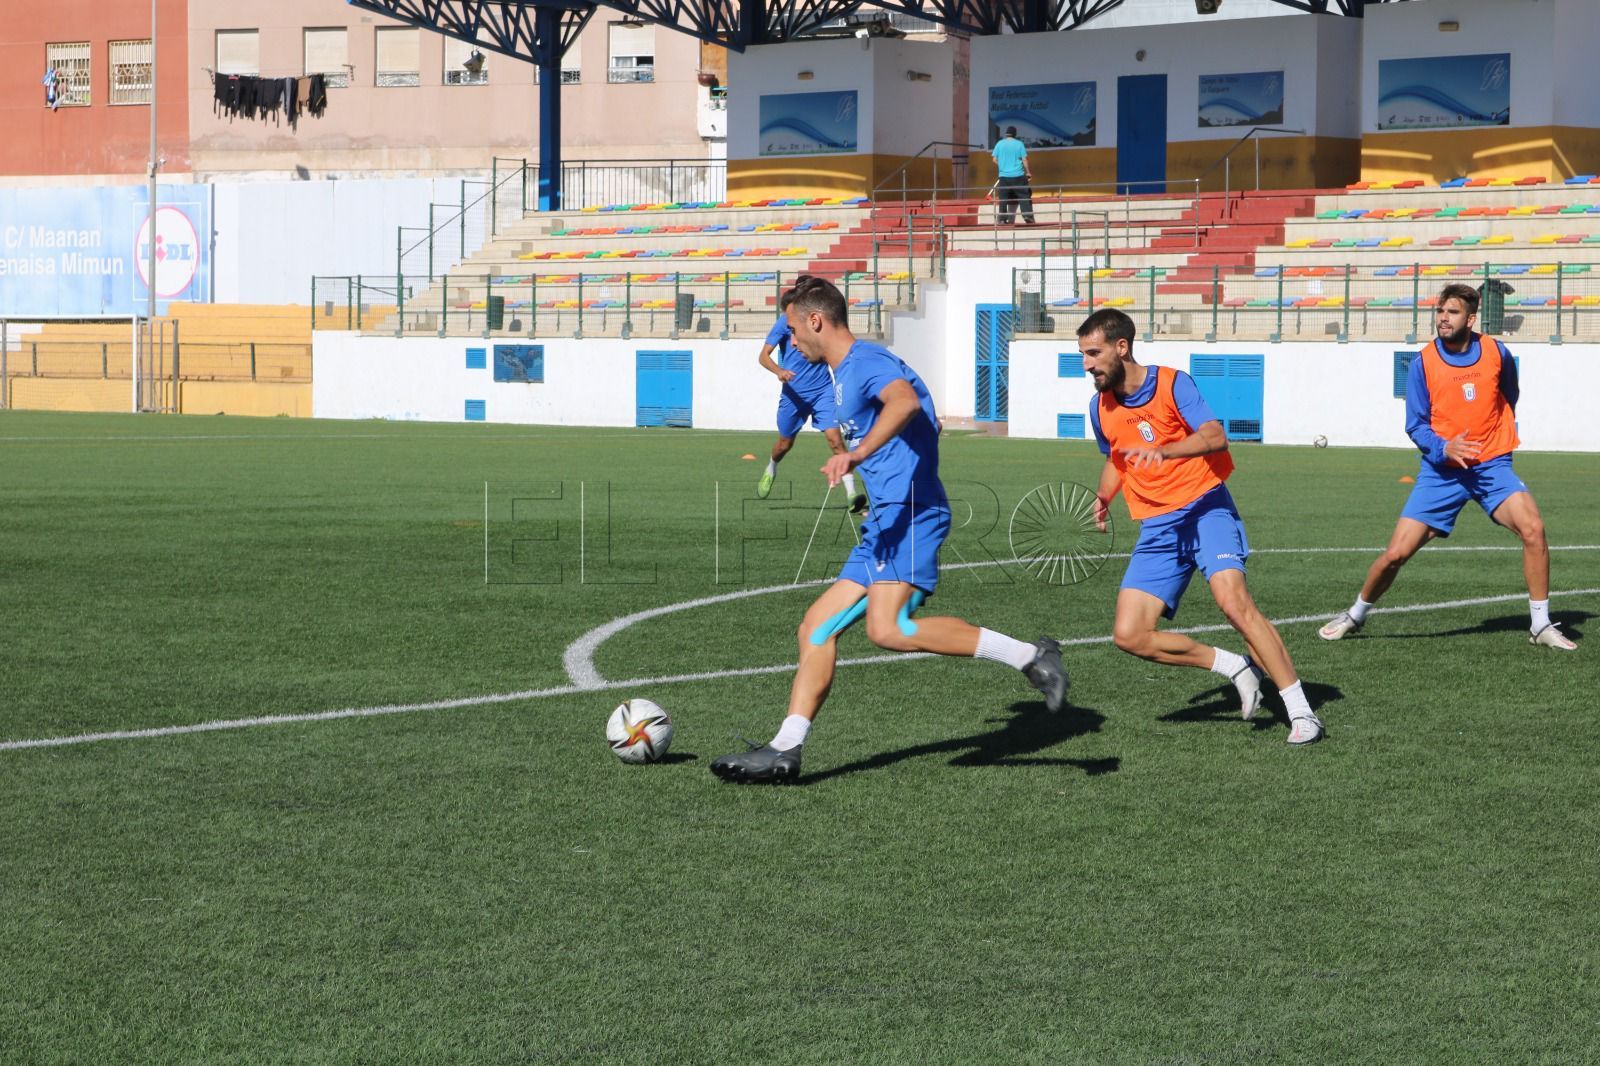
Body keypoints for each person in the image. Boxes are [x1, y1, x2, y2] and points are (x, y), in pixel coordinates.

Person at [711, 276, 1069, 784]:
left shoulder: (864, 363)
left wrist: (856, 454)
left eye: (792, 331)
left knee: (889, 629)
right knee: (816, 627)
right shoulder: (841, 372)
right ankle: (784, 749)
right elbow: (921, 413)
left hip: (911, 513)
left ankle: (1032, 657)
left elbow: (905, 402)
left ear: (816, 321)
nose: (789, 344)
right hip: (884, 520)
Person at [1079, 308, 1324, 745]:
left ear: (1122, 347)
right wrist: (1104, 496)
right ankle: (1234, 667)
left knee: (1233, 602)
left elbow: (1215, 435)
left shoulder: (1174, 383)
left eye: (1094, 353)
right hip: (1157, 528)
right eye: (1082, 355)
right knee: (1130, 635)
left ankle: (1301, 711)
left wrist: (1169, 452)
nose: (1087, 364)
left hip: (1205, 509)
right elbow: (1116, 458)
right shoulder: (1101, 407)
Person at [1319, 283, 1576, 651]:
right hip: (1441, 473)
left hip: (1491, 467)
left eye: (1452, 312)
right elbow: (1415, 424)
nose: (1443, 317)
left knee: (1534, 529)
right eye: (1440, 311)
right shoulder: (1423, 362)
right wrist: (1444, 447)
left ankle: (1540, 625)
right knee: (1396, 555)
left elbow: (1510, 394)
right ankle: (1356, 614)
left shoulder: (1496, 352)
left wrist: (1492, 440)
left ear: (1470, 319)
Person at [756, 282, 867, 515]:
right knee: (784, 445)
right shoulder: (786, 322)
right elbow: (763, 356)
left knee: (835, 440)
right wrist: (779, 371)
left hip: (823, 391)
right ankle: (772, 466)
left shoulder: (816, 321)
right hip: (793, 394)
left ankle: (851, 495)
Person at [991, 126, 1036, 226]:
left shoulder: (999, 144)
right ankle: (1028, 217)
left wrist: (1002, 165)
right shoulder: (1019, 144)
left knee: (1003, 198)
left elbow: (994, 159)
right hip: (1018, 175)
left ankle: (1002, 219)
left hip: (1003, 176)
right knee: (1024, 196)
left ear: (1006, 134)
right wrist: (1028, 172)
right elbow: (1024, 159)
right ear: (1015, 134)